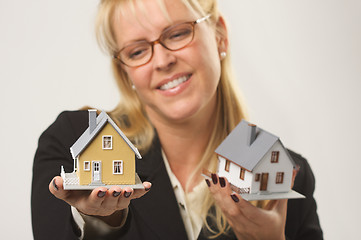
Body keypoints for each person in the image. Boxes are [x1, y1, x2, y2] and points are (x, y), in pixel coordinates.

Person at [31, 0, 323, 239]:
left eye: (178, 33)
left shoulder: (286, 173)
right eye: (137, 51)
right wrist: (97, 222)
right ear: (126, 73)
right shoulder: (73, 140)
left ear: (220, 35)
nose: (162, 61)